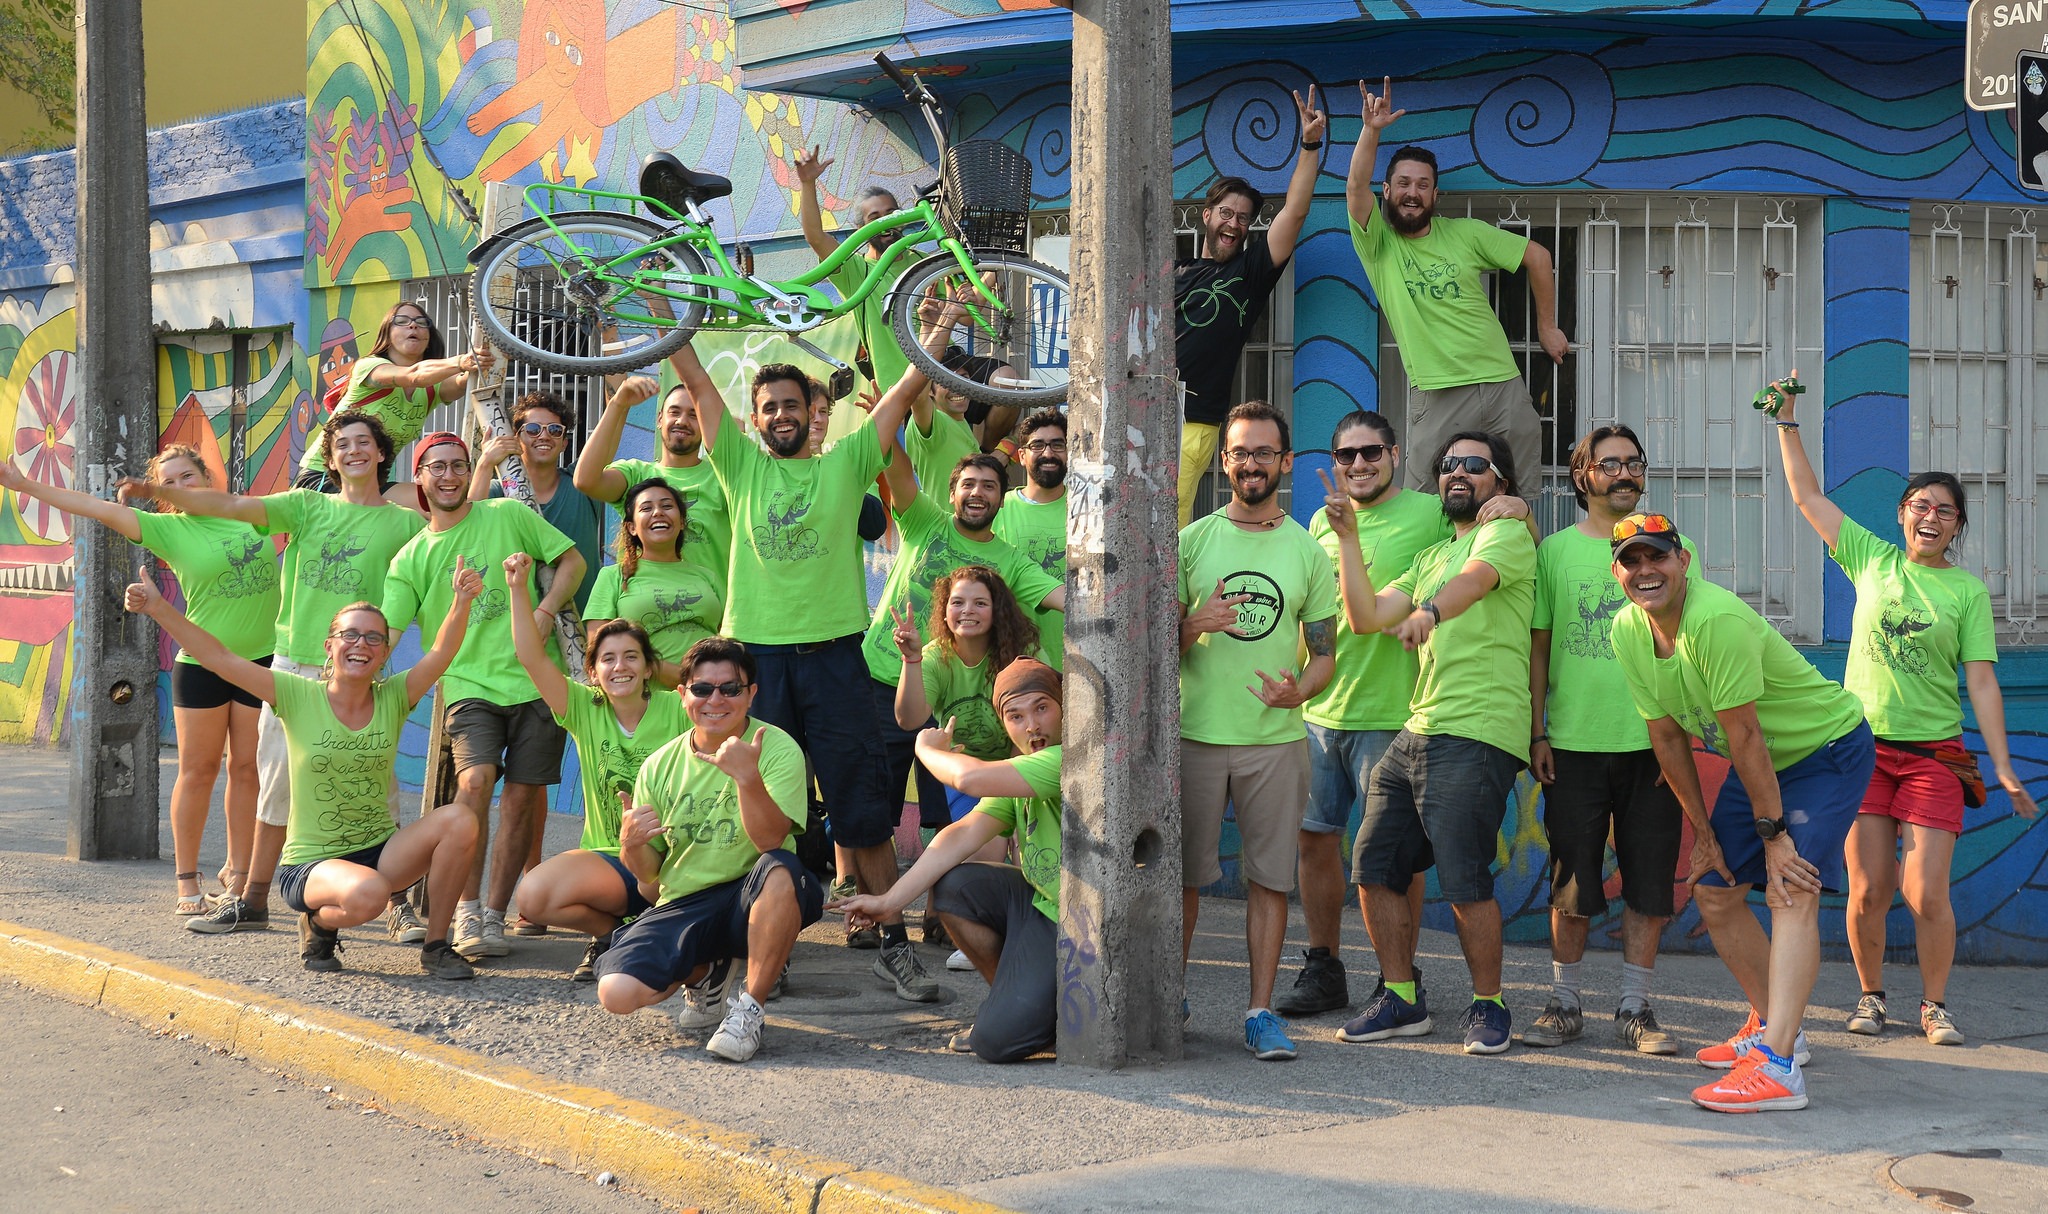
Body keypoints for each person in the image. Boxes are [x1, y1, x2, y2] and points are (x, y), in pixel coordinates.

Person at [1767, 375, 2039, 1045]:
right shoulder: (1872, 560)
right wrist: (1788, 422)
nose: (1929, 517)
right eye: (1920, 505)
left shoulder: (1967, 594)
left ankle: (1935, 1006)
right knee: (1867, 891)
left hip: (1933, 758)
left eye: (1944, 510)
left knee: (1925, 894)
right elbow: (1806, 496)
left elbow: (1980, 682)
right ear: (1901, 513)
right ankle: (1871, 996)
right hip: (1863, 753)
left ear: (1958, 525)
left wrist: (2002, 766)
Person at [674, 333, 940, 1000]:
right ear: (755, 419)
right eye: (769, 407)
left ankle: (893, 946)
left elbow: (907, 389)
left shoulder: (847, 463)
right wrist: (663, 316)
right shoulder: (738, 464)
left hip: (835, 658)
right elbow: (701, 384)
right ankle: (767, 945)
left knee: (863, 813)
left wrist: (934, 329)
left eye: (792, 404)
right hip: (756, 662)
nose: (782, 415)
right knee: (761, 812)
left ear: (810, 410)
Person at [1608, 510, 1876, 1111]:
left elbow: (1747, 737)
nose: (1645, 570)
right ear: (1617, 573)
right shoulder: (1629, 631)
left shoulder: (1715, 622)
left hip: (1824, 751)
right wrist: (1703, 832)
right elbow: (1668, 738)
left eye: (1657, 556)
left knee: (1790, 888)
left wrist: (1776, 836)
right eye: (1632, 561)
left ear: (1683, 559)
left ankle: (1780, 1070)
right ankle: (1779, 1030)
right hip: (1764, 762)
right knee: (1716, 889)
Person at [127, 411, 425, 938]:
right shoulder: (306, 506)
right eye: (343, 445)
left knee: (377, 789)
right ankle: (252, 898)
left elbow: (446, 543)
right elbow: (229, 504)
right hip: (295, 667)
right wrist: (156, 489)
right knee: (275, 787)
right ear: (331, 461)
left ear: (381, 454)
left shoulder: (406, 526)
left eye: (364, 443)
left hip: (363, 672)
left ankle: (398, 903)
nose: (354, 451)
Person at [124, 562, 484, 979]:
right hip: (313, 864)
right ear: (329, 646)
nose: (360, 644)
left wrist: (461, 601)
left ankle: (437, 945)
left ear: (384, 653)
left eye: (372, 637)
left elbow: (440, 653)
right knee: (371, 895)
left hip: (380, 851)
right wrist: (159, 608)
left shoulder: (395, 696)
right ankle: (319, 922)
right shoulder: (295, 694)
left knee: (461, 818)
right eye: (349, 634)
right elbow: (219, 657)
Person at [2, 447, 280, 916]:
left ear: (206, 476)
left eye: (187, 476)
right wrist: (24, 485)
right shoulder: (168, 530)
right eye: (168, 482)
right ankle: (187, 881)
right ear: (163, 495)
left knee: (248, 769)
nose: (180, 486)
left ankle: (237, 872)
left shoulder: (246, 513)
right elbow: (97, 508)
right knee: (199, 771)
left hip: (261, 661)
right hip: (204, 665)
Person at [1329, 431, 1536, 1055]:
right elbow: (1367, 616)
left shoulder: (1507, 536)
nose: (1458, 475)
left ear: (1499, 481)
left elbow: (1473, 583)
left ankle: (1490, 1006)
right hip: (1418, 728)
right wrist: (1346, 539)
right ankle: (1402, 998)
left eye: (1475, 466)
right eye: (1448, 465)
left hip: (1477, 728)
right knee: (1373, 865)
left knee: (1465, 877)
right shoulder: (1431, 556)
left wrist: (1430, 615)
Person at [1520, 425, 1700, 1053]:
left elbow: (1688, 644)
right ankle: (1564, 1002)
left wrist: (1678, 731)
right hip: (1573, 741)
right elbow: (1539, 644)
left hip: (1655, 744)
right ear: (1583, 475)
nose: (1624, 473)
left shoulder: (1674, 549)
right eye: (1609, 464)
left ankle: (1635, 1009)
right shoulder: (1556, 553)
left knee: (1650, 880)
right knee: (1572, 880)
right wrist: (1538, 728)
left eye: (1634, 462)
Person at [381, 432, 587, 963]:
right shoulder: (412, 557)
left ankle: (494, 915)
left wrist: (545, 611)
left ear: (470, 470)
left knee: (522, 797)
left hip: (537, 681)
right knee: (473, 785)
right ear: (419, 479)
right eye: (437, 467)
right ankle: (466, 909)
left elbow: (572, 562)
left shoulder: (505, 515)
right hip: (468, 687)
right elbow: (389, 627)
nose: (448, 476)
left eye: (458, 465)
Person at [1177, 400, 1340, 1062]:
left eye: (1263, 453)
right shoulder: (1191, 542)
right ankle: (1170, 995)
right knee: (1181, 880)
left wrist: (1301, 689)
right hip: (1192, 736)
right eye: (1240, 452)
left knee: (1270, 880)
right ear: (1225, 462)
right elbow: (1148, 642)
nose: (1251, 463)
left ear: (1285, 463)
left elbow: (1325, 652)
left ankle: (1260, 1011)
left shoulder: (1308, 550)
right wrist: (1194, 625)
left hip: (1274, 742)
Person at [1272, 411, 1449, 1018]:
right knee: (1314, 839)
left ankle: (1399, 977)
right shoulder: (1322, 519)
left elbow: (1496, 520)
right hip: (1321, 711)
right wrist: (1292, 688)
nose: (1358, 465)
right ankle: (1324, 968)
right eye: (1345, 456)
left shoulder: (1431, 513)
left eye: (1370, 452)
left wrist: (1513, 507)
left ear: (1394, 455)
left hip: (1395, 712)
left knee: (1395, 853)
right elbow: (1313, 613)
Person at [597, 638, 824, 1063]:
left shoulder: (775, 748)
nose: (715, 699)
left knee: (780, 867)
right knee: (616, 993)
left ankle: (750, 1009)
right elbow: (650, 874)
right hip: (686, 900)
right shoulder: (659, 765)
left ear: (751, 694)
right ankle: (707, 972)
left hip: (753, 895)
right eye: (702, 689)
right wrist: (631, 846)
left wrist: (747, 779)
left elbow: (771, 842)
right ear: (683, 695)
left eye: (730, 689)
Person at [833, 657, 1065, 1063]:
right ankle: (1018, 1003)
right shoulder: (1022, 770)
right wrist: (889, 903)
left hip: (1073, 919)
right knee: (953, 885)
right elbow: (958, 836)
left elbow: (969, 779)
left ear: (1066, 707)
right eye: (1015, 715)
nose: (1031, 726)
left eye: (1042, 708)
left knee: (996, 1045)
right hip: (1039, 904)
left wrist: (924, 747)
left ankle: (1032, 1018)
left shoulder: (1067, 758)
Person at [1346, 78, 1569, 497]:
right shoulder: (1377, 243)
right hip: (1437, 391)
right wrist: (1371, 131)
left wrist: (1547, 328)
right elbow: (1355, 188)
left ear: (1435, 194)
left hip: (1502, 382)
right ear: (1387, 191)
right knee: (1428, 502)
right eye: (1405, 184)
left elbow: (1537, 257)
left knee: (1516, 499)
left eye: (1423, 185)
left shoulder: (1464, 233)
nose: (1413, 193)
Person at [868, 451, 1065, 906]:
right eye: (969, 484)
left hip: (986, 765)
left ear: (1003, 498)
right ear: (953, 492)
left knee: (975, 847)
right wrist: (895, 415)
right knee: (871, 811)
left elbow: (1063, 596)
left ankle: (970, 912)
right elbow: (911, 718)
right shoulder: (926, 523)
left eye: (990, 486)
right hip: (886, 678)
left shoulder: (1011, 575)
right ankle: (878, 911)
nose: (978, 493)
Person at [504, 554, 689, 982]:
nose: (619, 666)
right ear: (593, 671)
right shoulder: (584, 708)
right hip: (610, 854)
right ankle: (615, 933)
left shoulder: (679, 708)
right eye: (608, 659)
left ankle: (673, 934)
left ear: (648, 668)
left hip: (675, 856)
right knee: (533, 897)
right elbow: (530, 655)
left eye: (630, 657)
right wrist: (518, 589)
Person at [1175, 88, 1325, 528]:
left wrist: (1310, 145)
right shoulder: (1174, 271)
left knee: (1166, 524)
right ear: (1207, 215)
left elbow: (1295, 214)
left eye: (1242, 218)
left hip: (1193, 422)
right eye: (1226, 212)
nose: (1234, 223)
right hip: (1140, 413)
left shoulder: (1251, 271)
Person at [299, 301, 491, 491]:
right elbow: (413, 375)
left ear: (429, 336)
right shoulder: (368, 367)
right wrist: (461, 361)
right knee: (430, 502)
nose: (413, 325)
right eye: (401, 321)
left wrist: (489, 356)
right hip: (325, 477)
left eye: (421, 322)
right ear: (387, 333)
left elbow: (463, 382)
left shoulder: (432, 389)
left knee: (443, 497)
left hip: (369, 485)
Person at [572, 373, 731, 598]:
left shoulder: (724, 478)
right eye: (674, 412)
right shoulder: (637, 474)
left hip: (709, 619)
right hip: (641, 619)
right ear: (659, 419)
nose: (682, 421)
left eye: (694, 415)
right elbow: (585, 481)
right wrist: (618, 404)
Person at [472, 390, 609, 614]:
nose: (544, 436)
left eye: (554, 430)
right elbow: (467, 526)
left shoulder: (581, 484)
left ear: (564, 443)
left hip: (585, 628)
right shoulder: (499, 491)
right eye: (533, 430)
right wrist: (485, 463)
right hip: (519, 627)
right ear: (517, 438)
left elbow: (607, 435)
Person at [795, 149, 918, 395]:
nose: (886, 223)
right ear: (860, 229)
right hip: (896, 390)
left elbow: (967, 316)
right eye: (875, 218)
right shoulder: (856, 269)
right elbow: (816, 238)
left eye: (890, 214)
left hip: (941, 383)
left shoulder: (925, 263)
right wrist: (807, 184)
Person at [583, 478, 723, 686]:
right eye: (646, 508)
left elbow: (726, 635)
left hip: (710, 695)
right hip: (646, 700)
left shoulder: (707, 576)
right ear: (631, 527)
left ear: (682, 521)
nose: (658, 512)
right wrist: (677, 675)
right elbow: (599, 649)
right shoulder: (613, 576)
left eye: (667, 506)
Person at [991, 408, 1070, 672]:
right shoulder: (998, 509)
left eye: (1058, 445)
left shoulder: (1089, 509)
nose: (1048, 453)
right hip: (1011, 663)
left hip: (1078, 659)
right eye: (1038, 445)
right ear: (1021, 456)